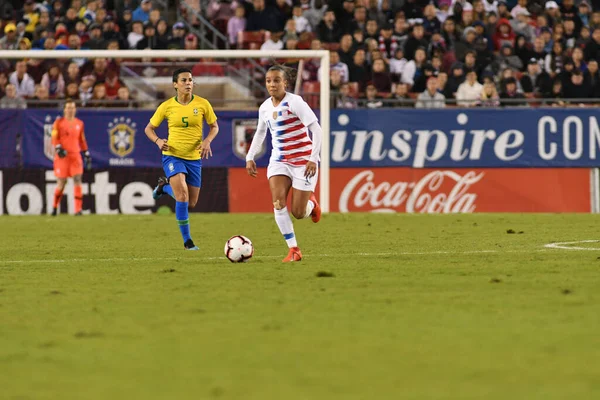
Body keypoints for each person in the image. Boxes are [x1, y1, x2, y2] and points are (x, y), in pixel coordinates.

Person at [245, 65, 323, 263]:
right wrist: (250, 156)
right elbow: (261, 132)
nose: (272, 84)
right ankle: (294, 249)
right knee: (278, 203)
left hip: (303, 162)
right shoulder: (264, 107)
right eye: (269, 80)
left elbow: (317, 129)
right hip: (279, 161)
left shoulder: (295, 102)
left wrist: (313, 158)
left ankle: (311, 205)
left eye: (276, 80)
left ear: (285, 82)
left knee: (298, 212)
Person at [145, 68, 219, 251]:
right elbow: (148, 129)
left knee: (190, 202)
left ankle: (163, 188)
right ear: (175, 84)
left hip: (194, 158)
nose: (188, 83)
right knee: (183, 195)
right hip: (172, 155)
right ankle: (188, 242)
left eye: (191, 80)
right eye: (184, 80)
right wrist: (158, 141)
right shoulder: (166, 106)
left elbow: (214, 126)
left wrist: (208, 140)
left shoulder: (203, 104)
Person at [51, 100, 92, 216]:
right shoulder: (58, 123)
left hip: (75, 155)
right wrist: (58, 148)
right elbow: (54, 137)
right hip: (63, 157)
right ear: (64, 109)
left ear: (75, 110)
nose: (70, 110)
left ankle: (78, 210)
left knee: (77, 180)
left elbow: (82, 140)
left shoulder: (79, 123)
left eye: (72, 108)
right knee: (61, 182)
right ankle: (54, 207)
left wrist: (86, 152)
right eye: (68, 108)